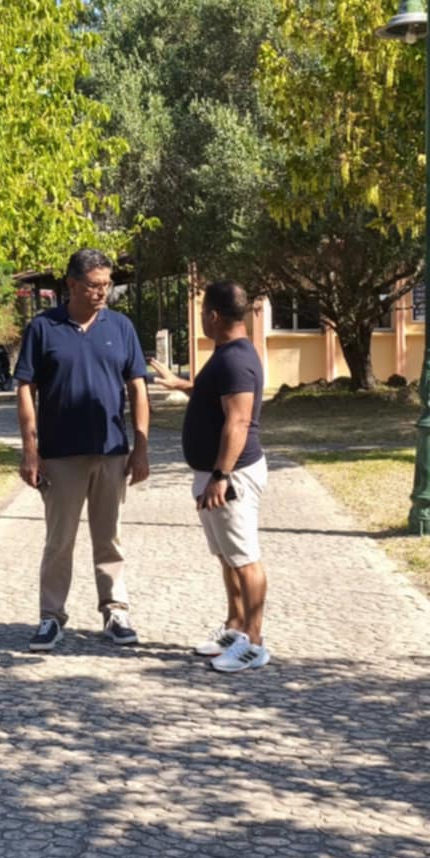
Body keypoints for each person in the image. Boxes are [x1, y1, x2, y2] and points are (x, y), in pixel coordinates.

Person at [14, 249, 151, 651]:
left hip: (111, 452)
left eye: (107, 284)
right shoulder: (43, 328)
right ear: (71, 285)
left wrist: (141, 447)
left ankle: (115, 610)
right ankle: (51, 616)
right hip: (60, 455)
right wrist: (30, 450)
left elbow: (137, 387)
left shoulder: (121, 327)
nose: (102, 292)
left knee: (109, 537)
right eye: (93, 285)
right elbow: (25, 388)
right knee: (59, 541)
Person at [149, 280, 269, 673]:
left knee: (245, 558)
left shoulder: (236, 359)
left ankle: (254, 642)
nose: (202, 318)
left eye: (203, 312)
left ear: (213, 316)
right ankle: (235, 627)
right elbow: (214, 396)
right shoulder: (226, 354)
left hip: (230, 477)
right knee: (227, 555)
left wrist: (221, 475)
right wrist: (182, 385)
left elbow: (239, 421)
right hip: (212, 474)